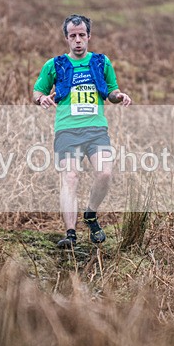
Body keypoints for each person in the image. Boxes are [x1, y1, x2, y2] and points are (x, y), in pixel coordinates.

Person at [32, 14, 132, 250]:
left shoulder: (101, 62)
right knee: (70, 177)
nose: (78, 40)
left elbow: (111, 93)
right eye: (73, 36)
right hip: (67, 130)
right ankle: (71, 233)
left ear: (89, 37)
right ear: (67, 38)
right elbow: (37, 92)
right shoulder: (54, 65)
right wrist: (42, 99)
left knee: (105, 173)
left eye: (82, 35)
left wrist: (120, 96)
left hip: (96, 130)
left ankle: (90, 214)